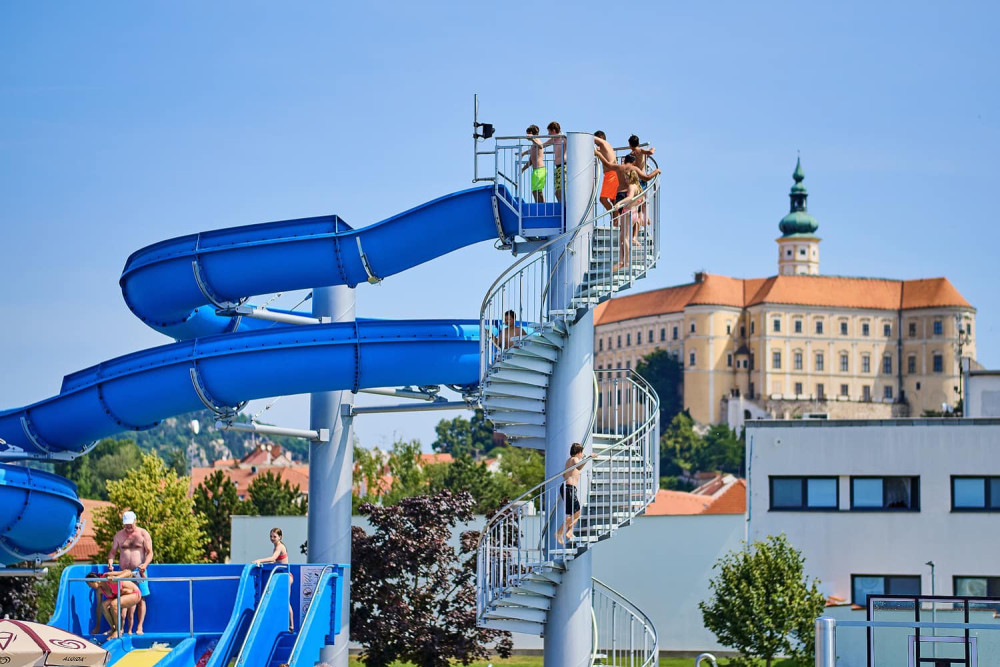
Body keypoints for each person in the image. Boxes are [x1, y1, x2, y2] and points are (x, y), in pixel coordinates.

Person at [594, 151, 661, 271]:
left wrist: (599, 154)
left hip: (627, 210)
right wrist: (656, 172)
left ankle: (625, 261)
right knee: (622, 237)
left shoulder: (629, 182)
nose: (624, 178)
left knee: (624, 237)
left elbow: (629, 197)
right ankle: (621, 260)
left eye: (626, 176)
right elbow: (646, 178)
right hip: (633, 212)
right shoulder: (637, 186)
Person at [108, 510, 153, 635]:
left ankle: (139, 627)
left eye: (130, 525)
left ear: (135, 521)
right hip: (124, 572)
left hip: (139, 571)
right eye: (126, 525)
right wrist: (110, 562)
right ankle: (121, 627)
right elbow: (112, 551)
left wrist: (145, 564)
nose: (128, 527)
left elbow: (150, 552)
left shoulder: (143, 534)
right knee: (123, 598)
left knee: (141, 598)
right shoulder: (118, 536)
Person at [254, 527, 294, 631]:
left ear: (280, 537)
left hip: (286, 576)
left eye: (274, 536)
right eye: (271, 536)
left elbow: (273, 558)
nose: (272, 538)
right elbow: (275, 561)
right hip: (283, 576)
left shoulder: (279, 547)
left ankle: (291, 625)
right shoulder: (276, 547)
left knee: (286, 601)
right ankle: (282, 623)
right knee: (280, 600)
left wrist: (260, 560)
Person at [556, 443, 596, 545]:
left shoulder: (568, 461)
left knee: (574, 513)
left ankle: (569, 532)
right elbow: (579, 467)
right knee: (577, 513)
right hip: (569, 488)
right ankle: (560, 532)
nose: (582, 454)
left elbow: (565, 475)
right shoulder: (574, 459)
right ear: (578, 452)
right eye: (581, 453)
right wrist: (589, 457)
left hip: (567, 487)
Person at [86, 571, 142, 640]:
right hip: (122, 597)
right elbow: (98, 608)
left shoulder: (107, 576)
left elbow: (128, 572)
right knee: (104, 605)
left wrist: (117, 578)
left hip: (134, 594)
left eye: (89, 584)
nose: (89, 587)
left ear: (94, 581)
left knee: (114, 604)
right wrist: (98, 626)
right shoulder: (99, 590)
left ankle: (118, 630)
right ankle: (113, 628)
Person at [520, 125, 546, 203]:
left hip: (539, 170)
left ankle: (541, 207)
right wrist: (523, 169)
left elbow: (540, 146)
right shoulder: (533, 145)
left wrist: (532, 138)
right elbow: (530, 161)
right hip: (536, 170)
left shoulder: (537, 141)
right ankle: (539, 206)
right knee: (536, 191)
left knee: (537, 191)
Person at [594, 131, 619, 211]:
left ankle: (614, 217)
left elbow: (591, 138)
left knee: (603, 199)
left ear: (600, 137)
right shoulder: (604, 146)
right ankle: (615, 219)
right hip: (611, 174)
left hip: (611, 174)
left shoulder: (603, 143)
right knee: (613, 200)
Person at [541, 122, 565, 201]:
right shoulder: (554, 140)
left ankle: (565, 209)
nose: (548, 134)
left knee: (562, 190)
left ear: (554, 130)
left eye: (549, 132)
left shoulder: (564, 138)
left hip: (564, 166)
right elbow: (542, 145)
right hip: (557, 167)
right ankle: (561, 209)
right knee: (557, 192)